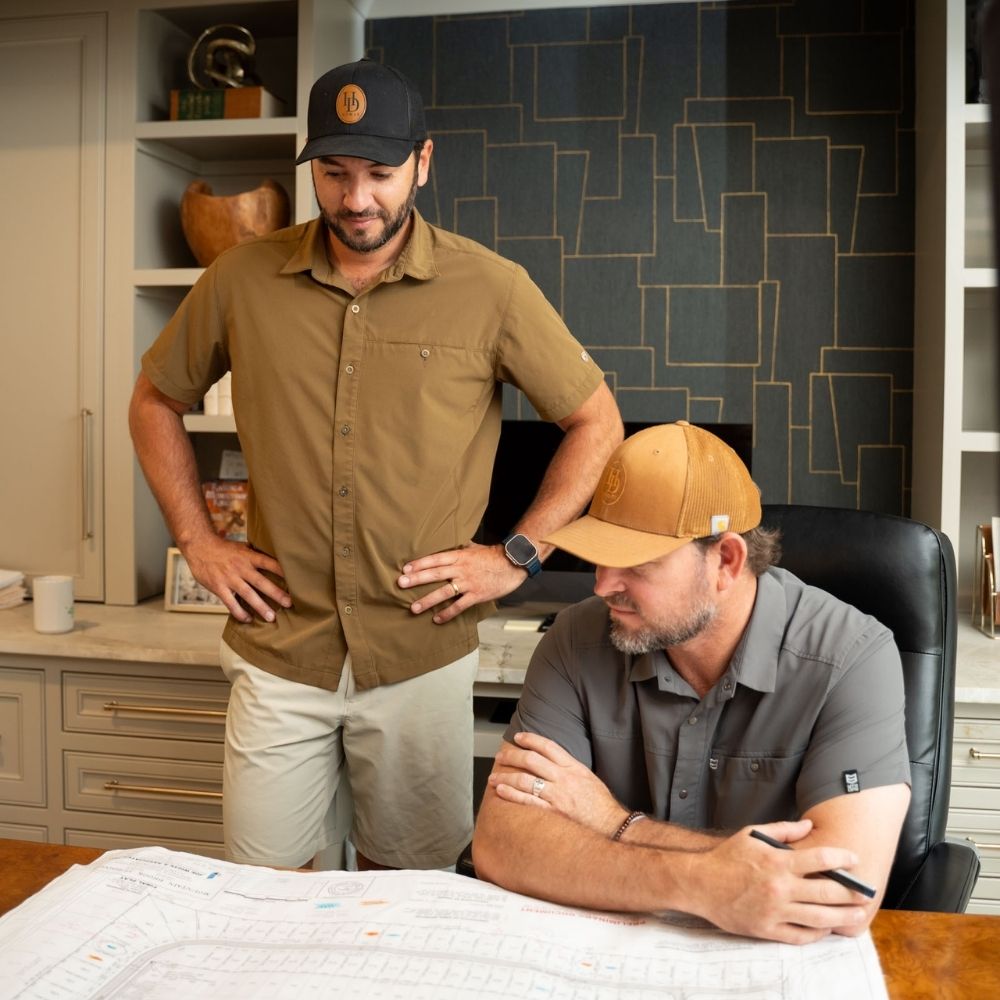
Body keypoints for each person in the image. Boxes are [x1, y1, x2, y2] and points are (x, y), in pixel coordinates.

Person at [128, 58, 623, 872]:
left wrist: (518, 555)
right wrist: (198, 539)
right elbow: (153, 401)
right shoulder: (239, 279)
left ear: (422, 164)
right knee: (264, 892)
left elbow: (594, 418)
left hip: (419, 653)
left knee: (411, 893)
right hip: (280, 646)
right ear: (313, 169)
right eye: (334, 173)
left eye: (380, 173)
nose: (357, 198)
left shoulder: (492, 288)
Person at [472, 421, 911, 944]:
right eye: (599, 555)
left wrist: (616, 825)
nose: (603, 585)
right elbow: (503, 843)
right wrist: (701, 882)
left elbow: (841, 891)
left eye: (635, 563)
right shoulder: (574, 639)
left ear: (726, 561)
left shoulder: (852, 657)